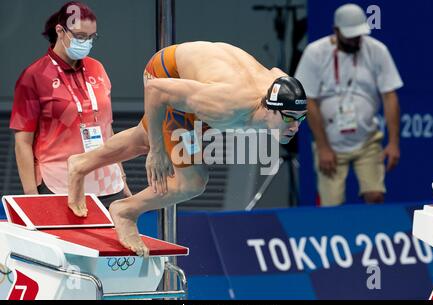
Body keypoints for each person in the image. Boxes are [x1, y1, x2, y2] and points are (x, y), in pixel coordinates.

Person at [67, 41, 308, 256]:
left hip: (206, 78)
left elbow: (275, 73)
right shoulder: (226, 105)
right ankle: (125, 211)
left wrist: (156, 141)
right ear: (268, 109)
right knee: (191, 181)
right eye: (289, 119)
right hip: (167, 72)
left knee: (145, 136)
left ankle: (80, 164)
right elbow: (156, 90)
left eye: (301, 118)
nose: (296, 127)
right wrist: (158, 152)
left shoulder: (278, 91)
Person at [10, 1, 131, 209]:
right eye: (80, 36)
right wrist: (31, 197)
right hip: (59, 184)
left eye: (91, 37)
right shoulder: (34, 76)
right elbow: (23, 143)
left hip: (108, 184)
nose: (86, 42)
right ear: (60, 31)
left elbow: (106, 130)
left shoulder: (97, 68)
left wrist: (122, 177)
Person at [294, 3, 403, 206]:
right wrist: (323, 147)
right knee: (331, 205)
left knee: (376, 196)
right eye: (350, 35)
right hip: (330, 142)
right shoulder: (315, 53)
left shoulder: (377, 51)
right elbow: (309, 101)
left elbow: (390, 96)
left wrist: (394, 142)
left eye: (358, 35)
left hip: (367, 139)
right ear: (336, 31)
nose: (355, 40)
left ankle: (372, 236)